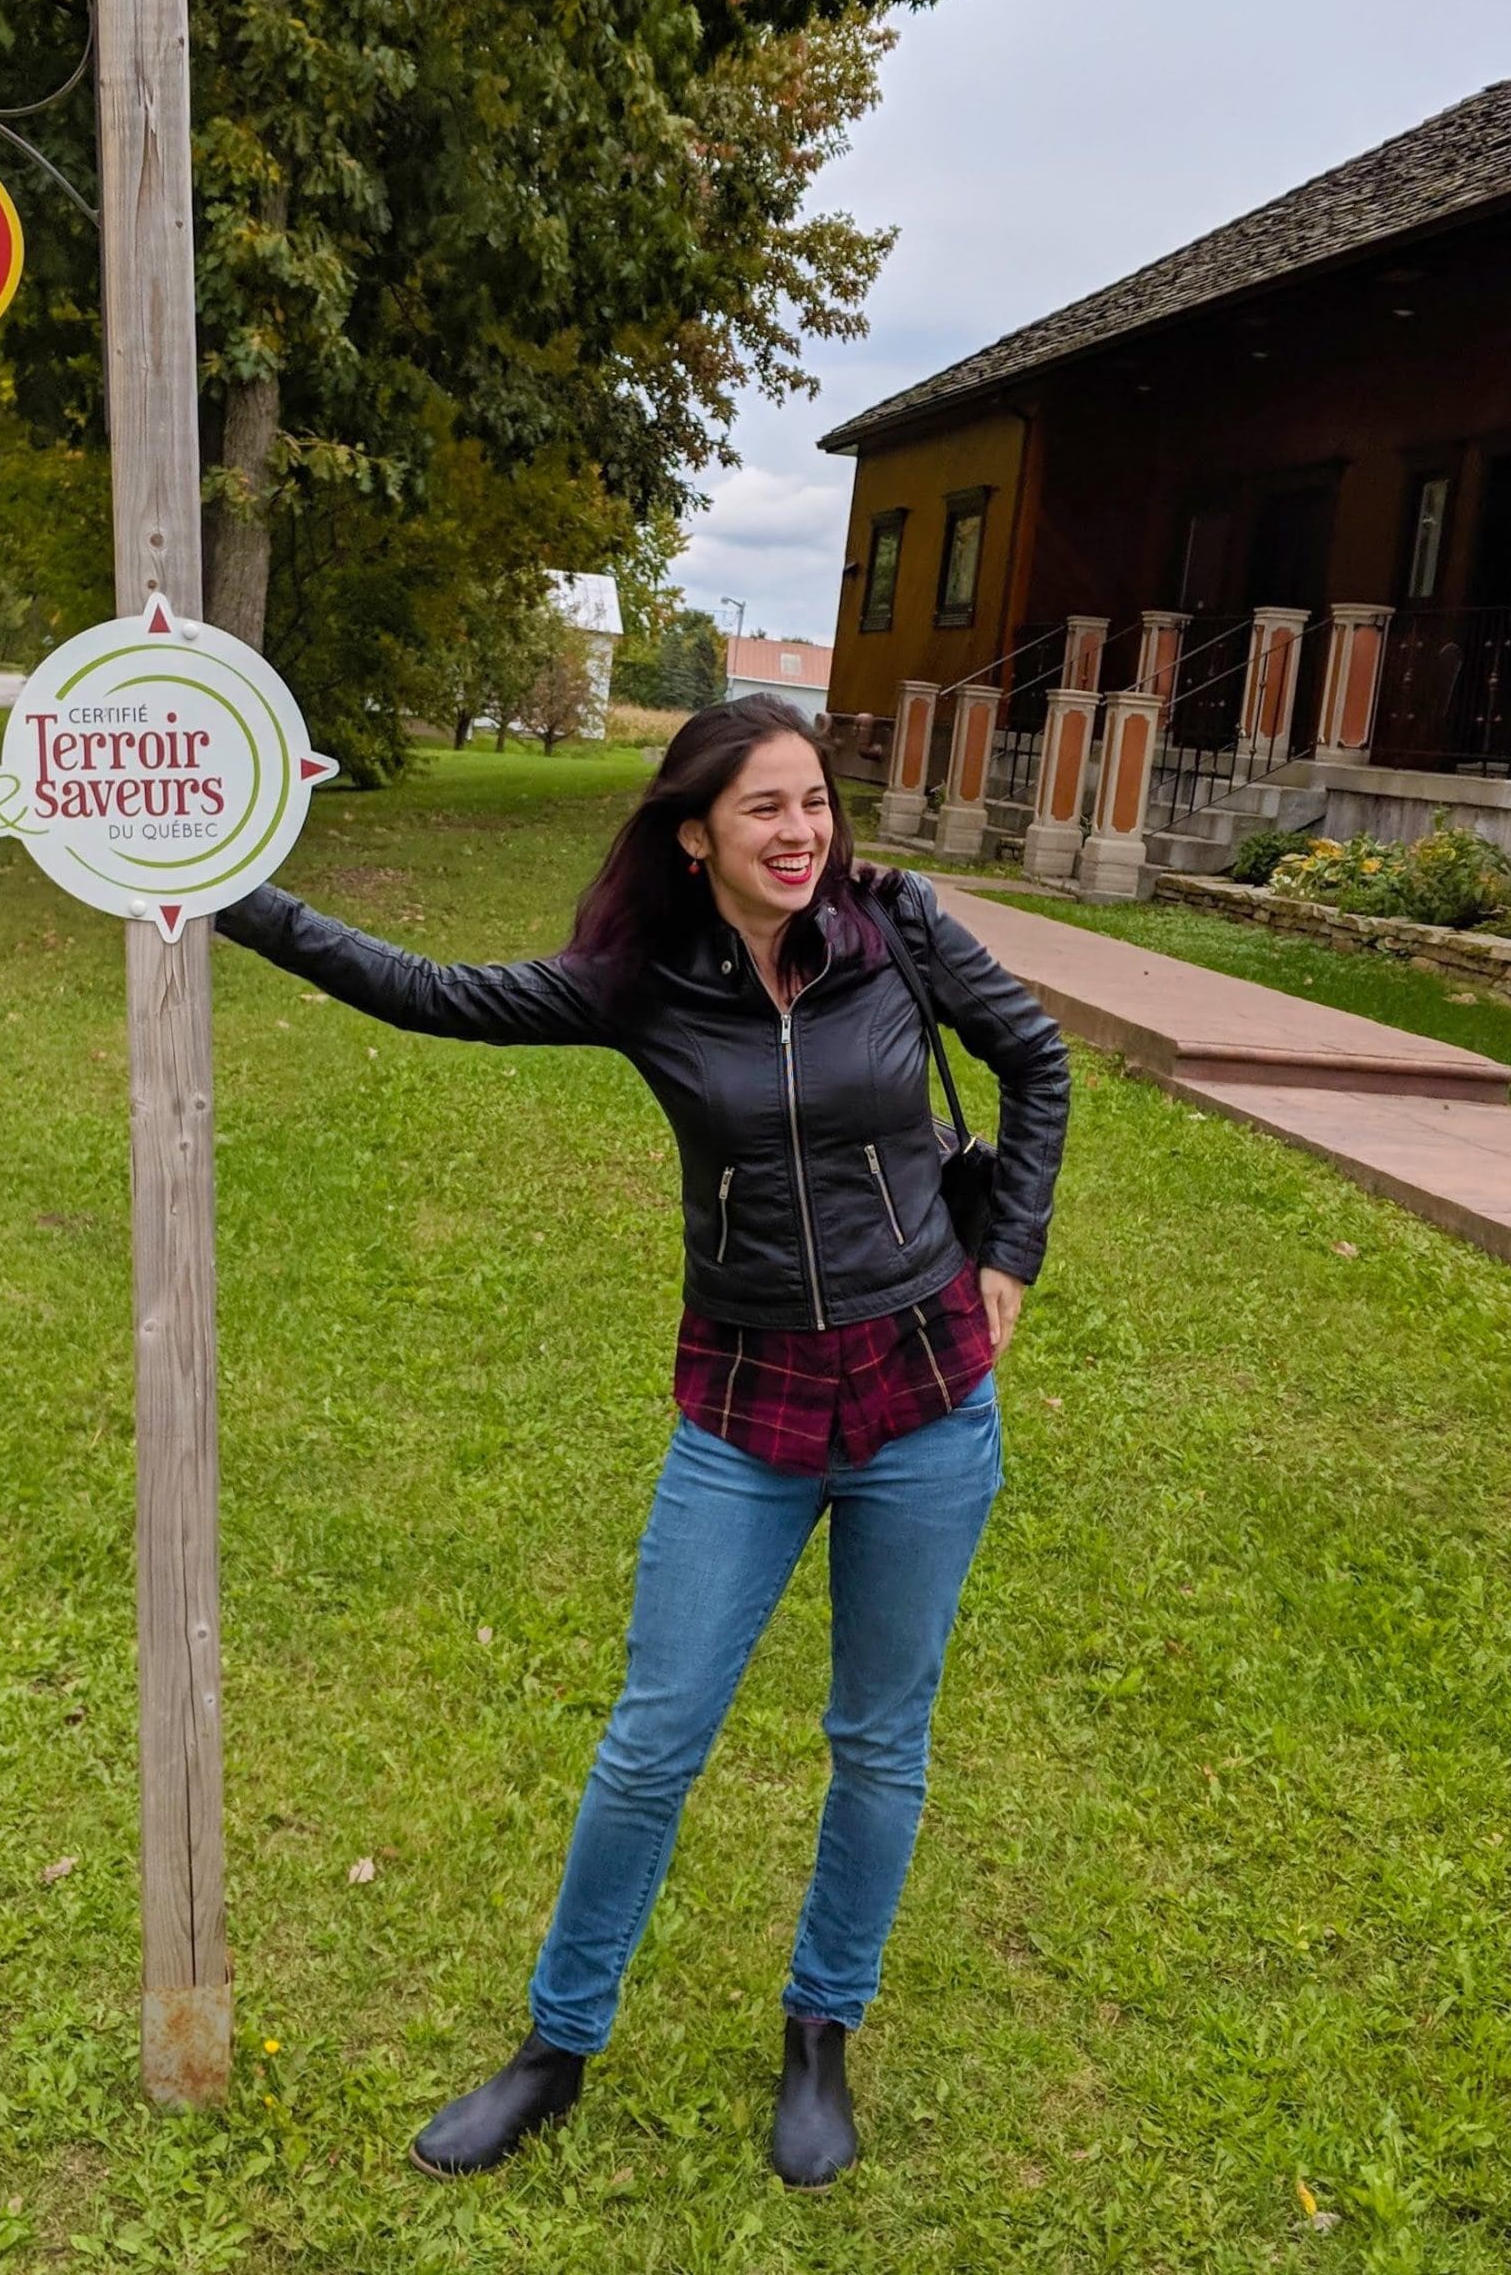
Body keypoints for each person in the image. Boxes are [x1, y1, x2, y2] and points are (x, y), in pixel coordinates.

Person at [215, 695, 1070, 2187]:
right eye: (765, 810)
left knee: (878, 1738)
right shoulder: (646, 982)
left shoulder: (900, 928)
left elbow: (1037, 1060)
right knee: (652, 1740)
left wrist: (1011, 1252)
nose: (801, 831)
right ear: (696, 836)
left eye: (815, 802)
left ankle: (820, 2034)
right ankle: (556, 2045)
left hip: (926, 1398)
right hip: (746, 1411)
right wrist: (225, 890)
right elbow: (427, 992)